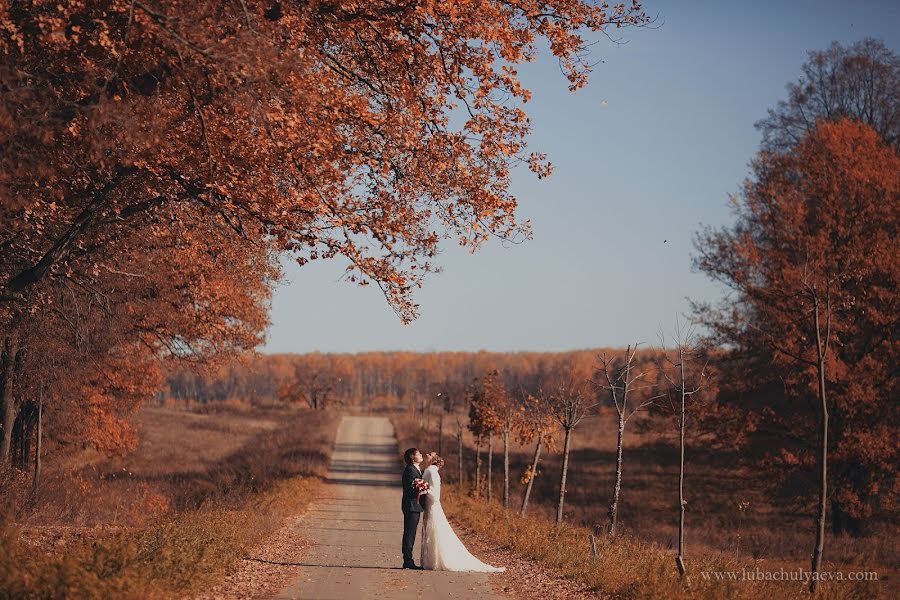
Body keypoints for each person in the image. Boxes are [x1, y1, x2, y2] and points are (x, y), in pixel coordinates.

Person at [419, 451, 505, 572]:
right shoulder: (429, 470)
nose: (425, 455)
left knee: (435, 530)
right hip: (429, 505)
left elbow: (435, 495)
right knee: (432, 531)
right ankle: (432, 559)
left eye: (429, 454)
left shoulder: (432, 472)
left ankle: (437, 560)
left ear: (433, 459)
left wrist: (424, 489)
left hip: (432, 505)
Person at [400, 447, 425, 569]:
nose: (421, 455)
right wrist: (421, 488)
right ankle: (407, 560)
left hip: (414, 506)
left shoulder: (415, 469)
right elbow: (409, 488)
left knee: (411, 533)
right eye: (418, 453)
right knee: (409, 533)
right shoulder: (410, 470)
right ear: (413, 457)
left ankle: (408, 559)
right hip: (411, 506)